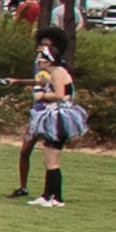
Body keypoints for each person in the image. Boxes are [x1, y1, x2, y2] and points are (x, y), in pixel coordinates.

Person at [20, 42, 83, 205]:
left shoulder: (57, 73)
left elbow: (61, 95)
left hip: (59, 118)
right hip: (54, 116)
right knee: (48, 158)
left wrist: (42, 97)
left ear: (49, 61)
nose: (38, 62)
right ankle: (46, 195)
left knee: (52, 160)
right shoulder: (54, 73)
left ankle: (57, 198)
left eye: (41, 59)